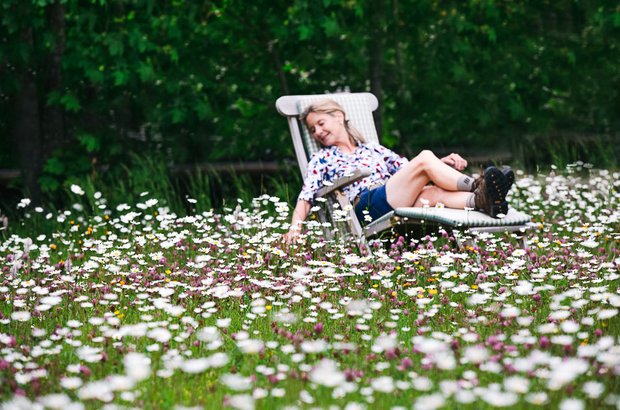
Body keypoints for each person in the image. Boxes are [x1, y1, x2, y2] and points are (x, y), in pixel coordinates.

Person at [283, 99, 514, 242]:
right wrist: (295, 229)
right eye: (312, 130)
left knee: (431, 195)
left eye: (321, 123)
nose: (317, 132)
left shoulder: (372, 149)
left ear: (339, 116)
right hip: (365, 206)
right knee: (424, 157)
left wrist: (443, 162)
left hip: (393, 195)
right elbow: (306, 196)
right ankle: (479, 184)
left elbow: (409, 170)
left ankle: (485, 200)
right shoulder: (322, 158)